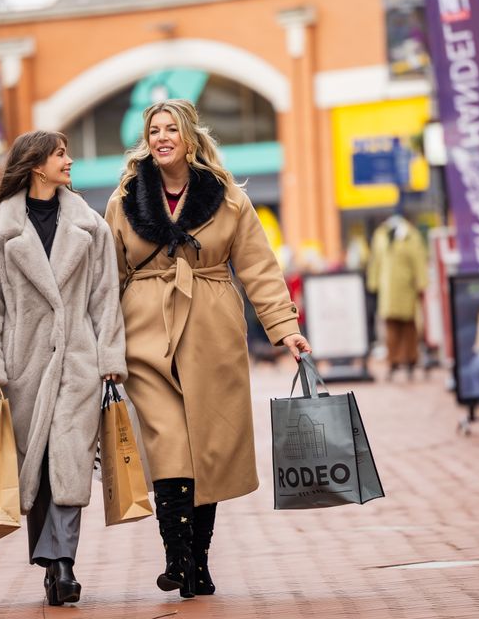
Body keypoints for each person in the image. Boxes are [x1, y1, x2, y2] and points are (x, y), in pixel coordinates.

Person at [104, 99, 310, 599]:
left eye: (170, 128)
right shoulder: (125, 198)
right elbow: (108, 277)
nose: (161, 137)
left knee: (208, 450)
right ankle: (177, 557)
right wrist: (104, 347)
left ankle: (199, 560)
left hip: (211, 333)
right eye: (154, 130)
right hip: (146, 333)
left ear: (190, 137)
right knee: (169, 442)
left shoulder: (228, 199)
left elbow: (259, 268)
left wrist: (285, 329)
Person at [0, 130, 126, 607]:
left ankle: (63, 563)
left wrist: (109, 358)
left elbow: (105, 299)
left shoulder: (90, 226)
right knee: (35, 467)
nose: (70, 160)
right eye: (61, 154)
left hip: (77, 360)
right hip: (24, 366)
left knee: (69, 461)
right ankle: (50, 560)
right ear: (36, 164)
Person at [366, 205, 427, 380]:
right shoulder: (381, 234)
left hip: (405, 287)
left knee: (409, 326)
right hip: (388, 288)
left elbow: (419, 260)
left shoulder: (411, 235)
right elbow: (375, 260)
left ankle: (411, 361)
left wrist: (421, 283)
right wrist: (374, 282)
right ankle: (393, 361)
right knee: (390, 327)